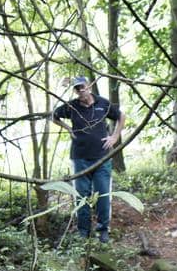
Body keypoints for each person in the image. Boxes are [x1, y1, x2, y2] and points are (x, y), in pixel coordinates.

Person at [51, 77, 123, 243]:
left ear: (89, 87)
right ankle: (83, 232)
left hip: (102, 158)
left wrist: (115, 136)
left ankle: (103, 230)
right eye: (77, 89)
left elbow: (121, 116)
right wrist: (68, 128)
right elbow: (53, 116)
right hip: (80, 158)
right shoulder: (72, 107)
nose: (80, 91)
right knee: (81, 196)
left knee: (103, 194)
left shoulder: (102, 103)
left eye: (82, 87)